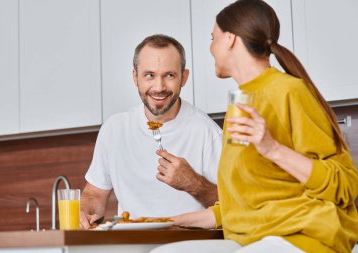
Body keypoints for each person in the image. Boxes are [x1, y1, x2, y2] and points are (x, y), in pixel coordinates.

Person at [151, 0, 358, 252]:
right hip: (254, 237)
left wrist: (273, 149)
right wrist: (181, 221)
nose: (210, 48)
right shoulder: (240, 102)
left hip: (302, 236)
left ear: (230, 39)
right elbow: (251, 196)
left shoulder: (289, 91)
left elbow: (346, 184)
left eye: (212, 37)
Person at [80, 34, 222, 229]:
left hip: (188, 245)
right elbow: (95, 193)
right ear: (135, 77)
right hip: (130, 245)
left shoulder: (208, 134)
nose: (159, 87)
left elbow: (233, 207)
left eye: (169, 75)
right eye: (149, 75)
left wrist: (194, 184)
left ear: (184, 77)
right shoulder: (114, 130)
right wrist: (86, 211)